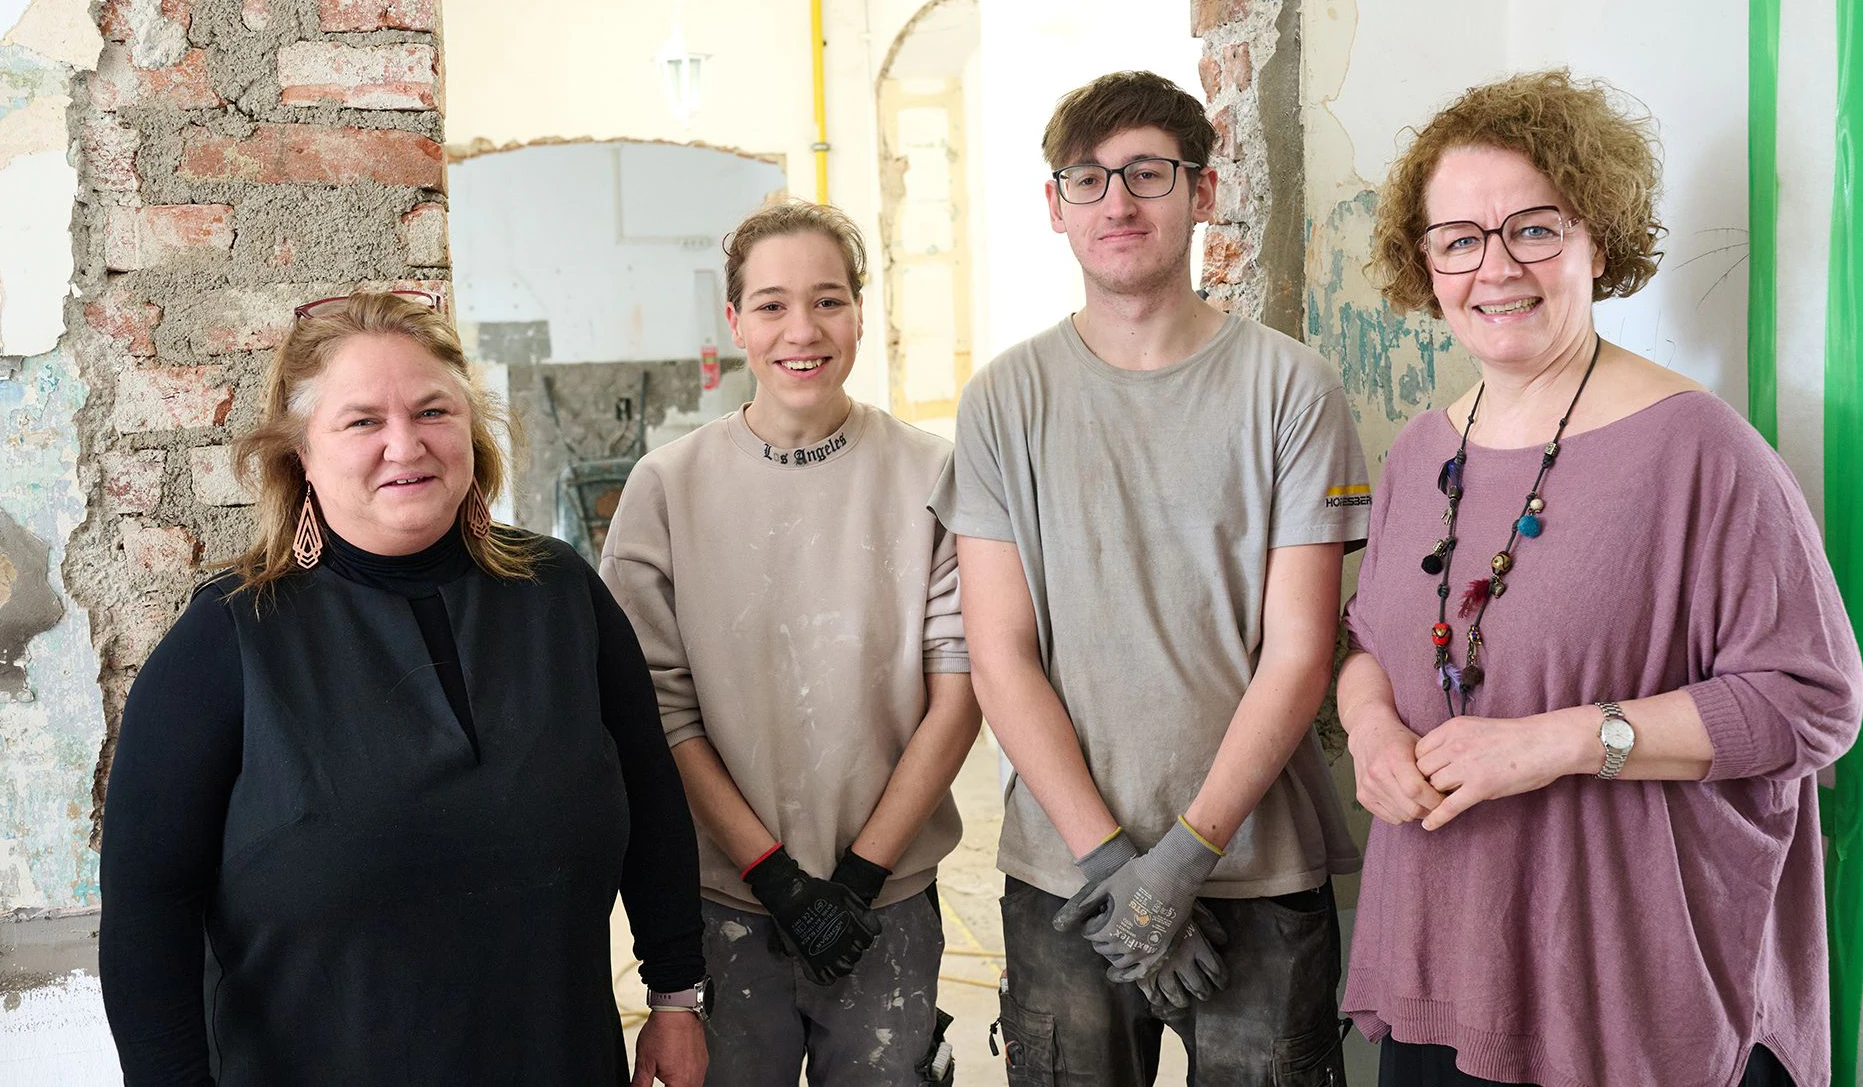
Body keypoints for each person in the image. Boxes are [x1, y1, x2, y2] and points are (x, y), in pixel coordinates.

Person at [1337, 69, 1863, 1087]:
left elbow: (1810, 705)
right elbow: (1366, 640)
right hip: (1444, 975)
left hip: (1632, 1003)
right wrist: (1368, 730)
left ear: (1598, 240)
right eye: (1459, 239)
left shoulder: (1699, 451)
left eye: (1533, 229)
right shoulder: (1415, 452)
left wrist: (1559, 741)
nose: (1496, 268)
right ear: (1425, 265)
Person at [97, 291, 709, 1087]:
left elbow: (654, 805)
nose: (405, 443)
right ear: (302, 455)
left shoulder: (561, 594)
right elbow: (148, 911)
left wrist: (675, 993)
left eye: (432, 410)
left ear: (469, 428)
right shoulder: (230, 637)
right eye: (361, 421)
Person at [932, 71, 1371, 1085]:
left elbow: (1301, 650)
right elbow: (999, 654)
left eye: (1147, 174)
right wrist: (1112, 867)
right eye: (1087, 179)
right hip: (1064, 879)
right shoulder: (1004, 399)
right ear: (1054, 207)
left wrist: (1183, 857)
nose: (1117, 203)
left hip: (1257, 869)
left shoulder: (1291, 388)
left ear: (1203, 192)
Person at [599, 200, 980, 1087]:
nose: (800, 330)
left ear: (859, 311)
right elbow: (659, 706)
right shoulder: (666, 489)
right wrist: (773, 875)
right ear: (733, 321)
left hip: (886, 901)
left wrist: (857, 877)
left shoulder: (935, 476)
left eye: (828, 300)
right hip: (726, 903)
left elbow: (957, 692)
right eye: (770, 304)